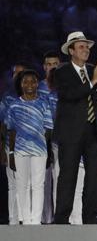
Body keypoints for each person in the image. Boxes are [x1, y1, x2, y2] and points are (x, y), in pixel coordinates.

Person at [53, 31, 97, 224]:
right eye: (81, 46)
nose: (86, 49)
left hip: (93, 131)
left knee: (94, 179)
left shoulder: (92, 70)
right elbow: (70, 95)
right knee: (68, 177)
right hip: (71, 133)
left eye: (87, 46)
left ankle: (90, 218)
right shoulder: (61, 72)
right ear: (71, 51)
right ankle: (62, 220)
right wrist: (95, 81)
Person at [6, 69, 53, 224]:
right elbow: (11, 131)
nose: (29, 84)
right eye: (25, 81)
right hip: (20, 151)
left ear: (37, 83)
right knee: (22, 185)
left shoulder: (44, 103)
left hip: (39, 151)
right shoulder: (14, 105)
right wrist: (11, 153)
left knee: (38, 186)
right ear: (20, 84)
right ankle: (25, 221)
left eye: (32, 81)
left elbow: (48, 129)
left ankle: (36, 221)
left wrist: (45, 149)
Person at [0, 61, 29, 225]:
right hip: (11, 147)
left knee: (30, 185)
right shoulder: (7, 98)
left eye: (21, 72)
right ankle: (13, 221)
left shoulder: (35, 96)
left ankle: (29, 221)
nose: (18, 76)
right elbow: (2, 125)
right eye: (15, 73)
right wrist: (3, 150)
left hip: (32, 148)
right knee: (13, 185)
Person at [37, 51, 60, 224]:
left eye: (55, 64)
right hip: (41, 139)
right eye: (49, 64)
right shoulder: (36, 87)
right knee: (43, 181)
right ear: (44, 67)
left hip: (61, 139)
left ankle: (60, 219)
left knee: (60, 178)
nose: (52, 67)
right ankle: (46, 220)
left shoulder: (66, 86)